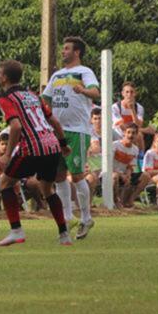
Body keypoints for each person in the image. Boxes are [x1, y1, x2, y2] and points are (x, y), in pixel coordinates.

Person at [0, 59, 73, 247]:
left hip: (32, 147)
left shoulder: (5, 99)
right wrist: (62, 144)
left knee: (4, 183)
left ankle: (16, 231)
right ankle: (64, 235)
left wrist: (6, 155)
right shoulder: (32, 95)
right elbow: (53, 121)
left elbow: (16, 126)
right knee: (47, 189)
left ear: (4, 78)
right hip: (51, 146)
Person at [42, 36, 100, 239]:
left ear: (77, 52)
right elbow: (46, 99)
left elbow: (95, 92)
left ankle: (86, 217)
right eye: (63, 48)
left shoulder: (85, 72)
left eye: (67, 49)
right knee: (58, 176)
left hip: (77, 130)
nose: (63, 51)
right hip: (57, 131)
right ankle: (67, 217)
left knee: (76, 175)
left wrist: (83, 90)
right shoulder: (56, 75)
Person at [112, 82, 155, 153]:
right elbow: (122, 126)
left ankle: (140, 158)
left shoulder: (139, 108)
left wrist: (132, 109)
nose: (129, 95)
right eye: (127, 92)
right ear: (122, 93)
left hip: (132, 134)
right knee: (137, 134)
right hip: (117, 134)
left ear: (135, 93)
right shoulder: (115, 107)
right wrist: (146, 130)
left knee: (139, 135)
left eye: (131, 92)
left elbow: (138, 125)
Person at [111, 124, 142, 207]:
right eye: (128, 132)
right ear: (124, 133)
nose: (130, 135)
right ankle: (115, 201)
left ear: (136, 135)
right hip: (111, 173)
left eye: (133, 133)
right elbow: (108, 164)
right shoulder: (115, 145)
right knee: (115, 176)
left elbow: (130, 166)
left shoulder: (135, 149)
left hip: (123, 174)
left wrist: (128, 175)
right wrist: (122, 175)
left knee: (145, 176)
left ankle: (129, 201)